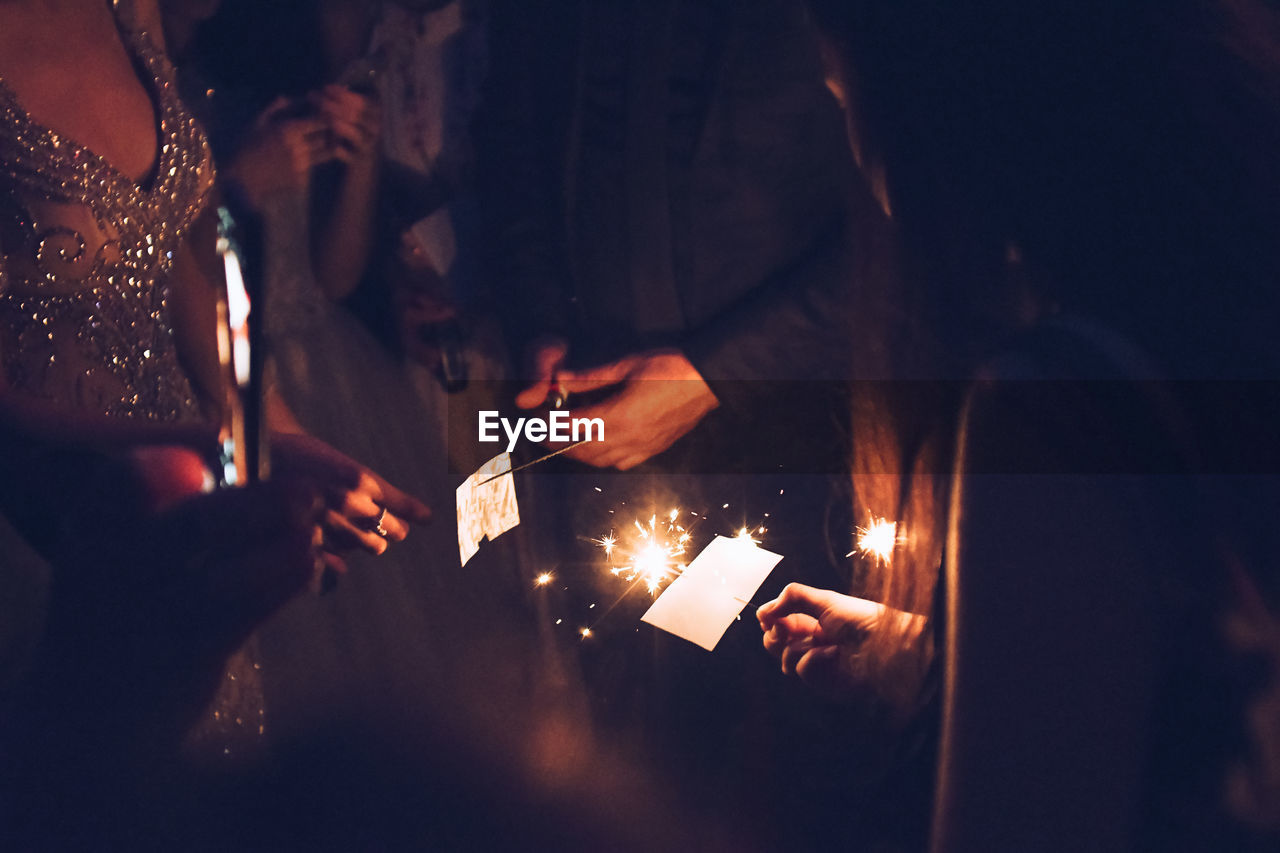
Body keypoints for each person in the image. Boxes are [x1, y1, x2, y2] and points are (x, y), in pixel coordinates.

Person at [757, 0, 1280, 849]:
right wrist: (934, 652)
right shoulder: (1226, 298)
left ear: (937, 106)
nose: (857, 152)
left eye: (845, 98)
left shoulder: (1059, 411)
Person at [0, 0, 429, 845]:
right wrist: (203, 452)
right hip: (47, 537)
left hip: (190, 527)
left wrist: (266, 429)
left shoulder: (129, 8)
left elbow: (179, 256)